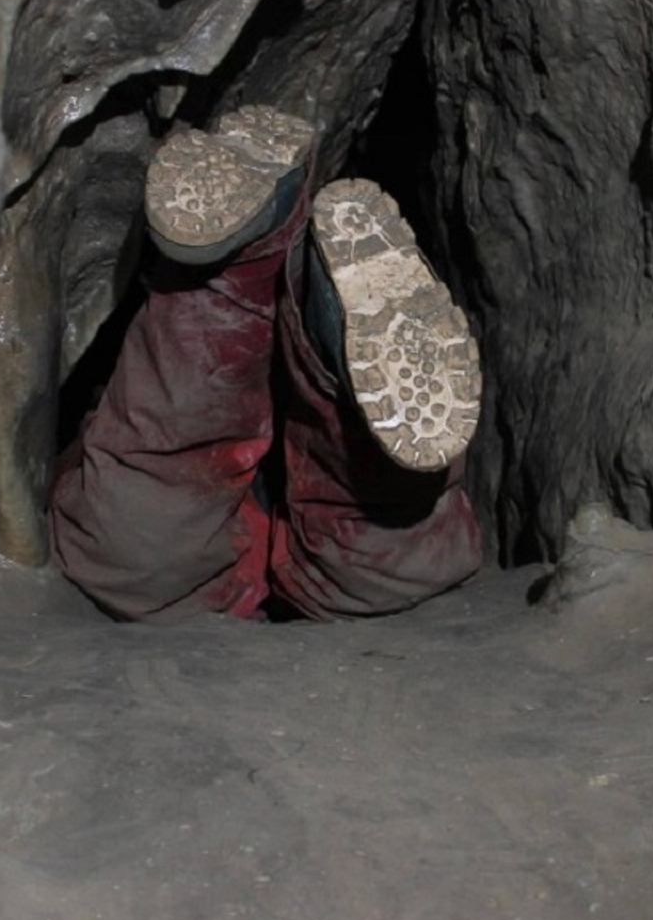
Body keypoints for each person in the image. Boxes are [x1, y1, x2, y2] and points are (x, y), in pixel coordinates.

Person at [50, 106, 483, 620]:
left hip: (206, 537)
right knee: (384, 563)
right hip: (322, 524)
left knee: (139, 542)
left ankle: (239, 266)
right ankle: (320, 331)